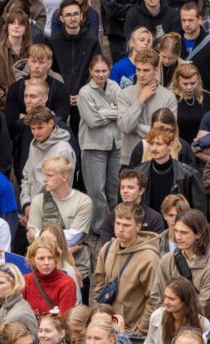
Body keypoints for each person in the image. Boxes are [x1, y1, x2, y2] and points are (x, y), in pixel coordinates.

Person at [93, 202, 161, 344]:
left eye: (126, 225)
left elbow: (155, 298)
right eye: (118, 223)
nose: (120, 229)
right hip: (107, 327)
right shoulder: (107, 248)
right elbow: (99, 286)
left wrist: (140, 330)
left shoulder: (149, 258)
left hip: (133, 333)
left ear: (138, 226)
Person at [78, 54, 123, 230]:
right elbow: (92, 121)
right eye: (97, 71)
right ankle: (100, 227)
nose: (101, 74)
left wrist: (101, 111)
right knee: (97, 190)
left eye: (104, 70)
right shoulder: (85, 92)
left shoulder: (115, 86)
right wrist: (113, 110)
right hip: (93, 145)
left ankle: (116, 225)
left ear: (109, 70)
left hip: (116, 144)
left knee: (114, 189)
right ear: (90, 71)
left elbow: (124, 111)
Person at [140, 279, 210, 344]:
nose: (166, 302)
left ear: (184, 301)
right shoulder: (157, 317)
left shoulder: (203, 325)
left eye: (171, 299)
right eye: (165, 297)